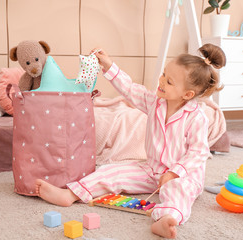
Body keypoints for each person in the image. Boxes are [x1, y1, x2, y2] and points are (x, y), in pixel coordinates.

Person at [35, 43, 226, 238]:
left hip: (182, 176)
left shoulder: (196, 118)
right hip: (151, 170)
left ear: (188, 94)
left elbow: (198, 152)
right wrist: (109, 66)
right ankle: (72, 194)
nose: (161, 81)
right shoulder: (155, 102)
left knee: (178, 190)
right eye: (163, 74)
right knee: (112, 170)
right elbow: (130, 89)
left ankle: (166, 219)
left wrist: (175, 173)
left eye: (169, 82)